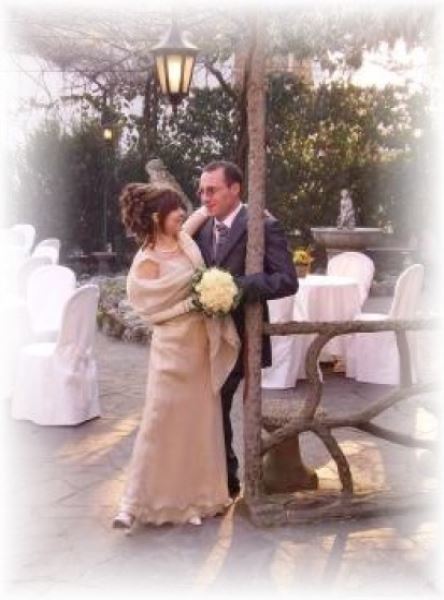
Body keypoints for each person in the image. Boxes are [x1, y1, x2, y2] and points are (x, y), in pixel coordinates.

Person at [113, 182, 240, 529]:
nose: (182, 214)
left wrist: (246, 207)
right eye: (175, 210)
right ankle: (133, 504)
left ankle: (198, 499)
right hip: (171, 349)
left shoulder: (184, 240)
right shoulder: (147, 260)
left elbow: (203, 212)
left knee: (198, 424)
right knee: (159, 422)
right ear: (158, 217)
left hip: (199, 346)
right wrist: (190, 304)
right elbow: (151, 314)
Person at [194, 160, 298, 498]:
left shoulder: (263, 225)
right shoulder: (200, 227)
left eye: (212, 190)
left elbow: (287, 280)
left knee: (220, 403)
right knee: (210, 408)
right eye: (202, 190)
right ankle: (219, 478)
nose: (204, 197)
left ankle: (229, 480)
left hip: (243, 337)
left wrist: (236, 287)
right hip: (205, 338)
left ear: (235, 188)